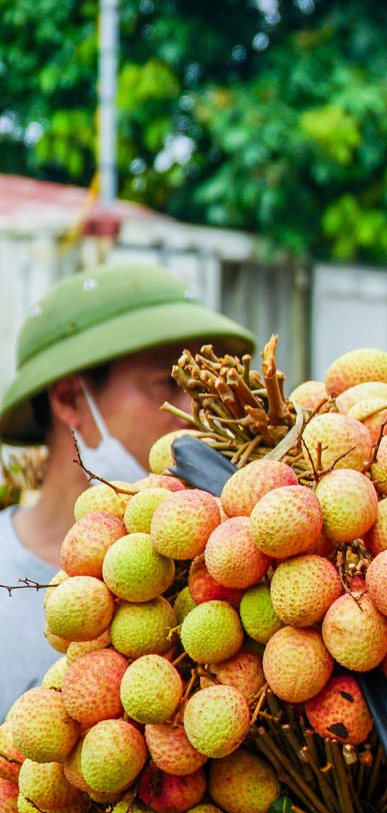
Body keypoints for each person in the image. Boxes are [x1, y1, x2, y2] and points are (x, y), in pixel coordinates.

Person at [0, 261, 250, 712]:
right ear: (70, 399)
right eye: (168, 385)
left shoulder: (226, 569)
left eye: (199, 391)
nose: (196, 417)